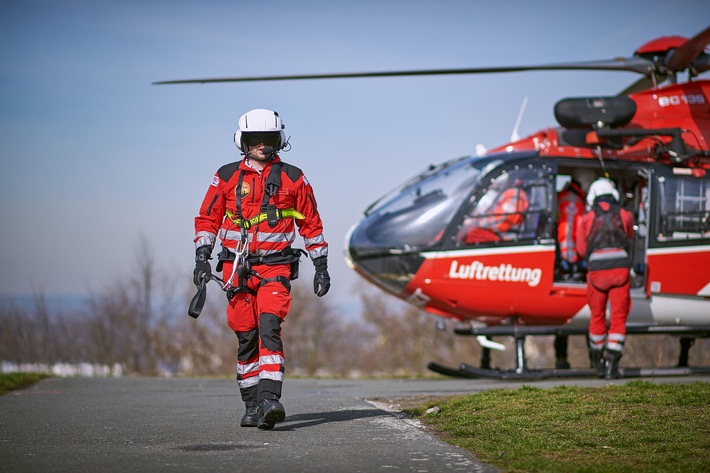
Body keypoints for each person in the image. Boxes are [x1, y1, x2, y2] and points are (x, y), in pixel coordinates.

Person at [193, 108, 330, 430]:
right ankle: (252, 404)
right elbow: (208, 218)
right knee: (246, 336)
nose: (262, 144)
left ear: (277, 140)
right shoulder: (226, 175)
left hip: (276, 267)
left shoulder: (294, 177)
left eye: (268, 138)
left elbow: (311, 223)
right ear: (243, 141)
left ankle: (271, 399)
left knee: (269, 325)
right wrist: (202, 256)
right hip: (234, 268)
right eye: (255, 139)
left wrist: (321, 265)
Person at [575, 177, 634, 379]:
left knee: (597, 317)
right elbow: (630, 237)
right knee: (618, 318)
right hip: (621, 272)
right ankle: (612, 365)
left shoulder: (585, 218)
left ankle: (598, 361)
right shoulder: (625, 214)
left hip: (597, 274)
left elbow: (581, 250)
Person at [553, 168, 596, 369]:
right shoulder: (572, 201)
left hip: (563, 261)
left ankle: (562, 359)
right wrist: (571, 263)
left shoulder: (563, 196)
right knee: (578, 312)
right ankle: (592, 359)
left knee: (564, 318)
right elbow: (567, 231)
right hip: (570, 264)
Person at [459, 179, 530, 243]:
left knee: (471, 235)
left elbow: (501, 222)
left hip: (503, 238)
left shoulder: (514, 194)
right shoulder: (506, 191)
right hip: (495, 234)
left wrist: (476, 222)